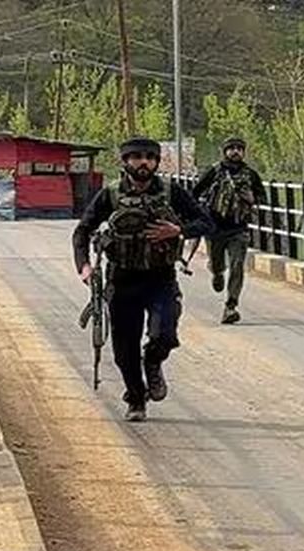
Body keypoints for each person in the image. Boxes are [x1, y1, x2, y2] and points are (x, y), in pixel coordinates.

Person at [72, 137, 215, 421]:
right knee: (124, 349)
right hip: (122, 280)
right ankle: (136, 399)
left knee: (165, 335)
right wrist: (84, 267)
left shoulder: (171, 192)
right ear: (125, 161)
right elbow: (82, 231)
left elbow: (206, 223)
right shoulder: (111, 194)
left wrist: (178, 230)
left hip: (160, 278)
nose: (144, 163)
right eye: (137, 157)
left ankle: (152, 361)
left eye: (150, 158)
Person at [191, 136, 265, 324]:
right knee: (218, 265)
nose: (235, 151)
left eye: (239, 148)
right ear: (224, 152)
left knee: (237, 265)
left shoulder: (250, 174)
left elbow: (262, 197)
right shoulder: (214, 171)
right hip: (215, 228)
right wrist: (197, 215)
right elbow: (194, 192)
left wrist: (252, 198)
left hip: (238, 228)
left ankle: (231, 306)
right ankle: (217, 273)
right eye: (231, 148)